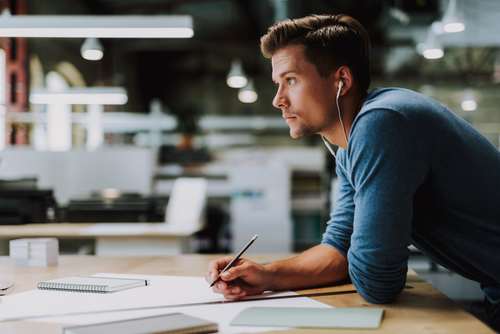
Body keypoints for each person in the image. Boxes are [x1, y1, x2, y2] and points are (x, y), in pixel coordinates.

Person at [207, 14, 500, 328]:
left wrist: (357, 254)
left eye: (291, 80)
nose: (278, 99)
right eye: (278, 83)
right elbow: (337, 248)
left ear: (341, 81)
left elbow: (377, 281)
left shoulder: (382, 123)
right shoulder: (350, 144)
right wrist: (266, 274)